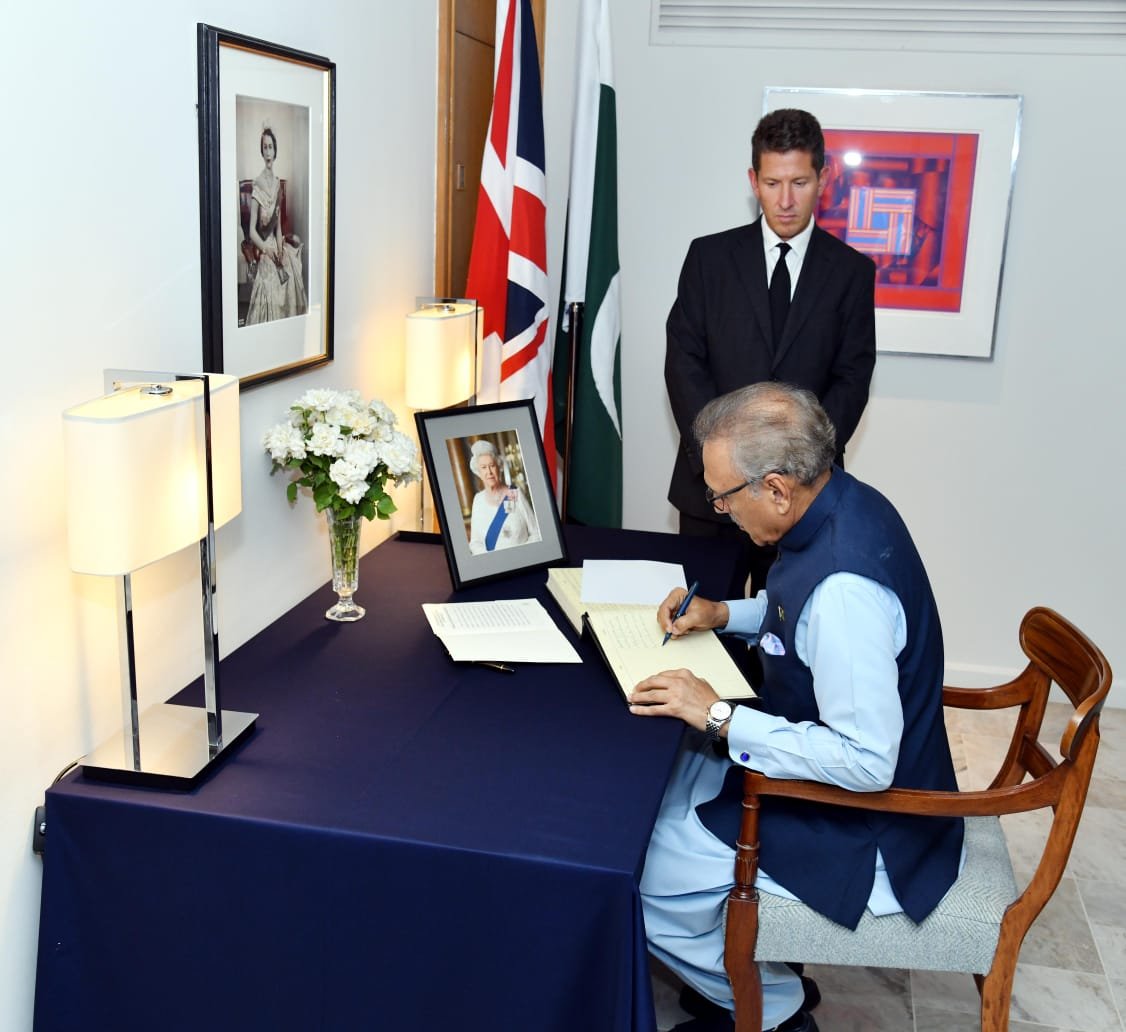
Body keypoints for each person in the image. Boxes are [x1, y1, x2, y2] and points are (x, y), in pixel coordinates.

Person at [633, 383, 962, 1032]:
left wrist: (719, 716)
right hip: (826, 763)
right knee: (670, 789)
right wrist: (727, 614)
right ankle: (732, 965)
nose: (721, 510)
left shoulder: (846, 592)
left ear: (777, 488)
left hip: (870, 828)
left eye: (724, 495)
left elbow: (867, 764)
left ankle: (773, 1007)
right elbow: (797, 610)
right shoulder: (842, 502)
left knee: (639, 873)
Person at [665, 108, 876, 598]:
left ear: (823, 178)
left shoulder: (851, 273)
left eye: (799, 182)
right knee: (698, 625)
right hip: (710, 493)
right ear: (753, 180)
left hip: (801, 498)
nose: (785, 200)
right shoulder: (708, 259)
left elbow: (851, 379)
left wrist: (798, 472)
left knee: (785, 643)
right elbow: (683, 364)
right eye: (773, 182)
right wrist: (720, 464)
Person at [245, 126, 308, 325]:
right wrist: (267, 250)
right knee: (271, 283)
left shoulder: (278, 184)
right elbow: (251, 232)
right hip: (264, 248)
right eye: (264, 147)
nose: (268, 151)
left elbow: (278, 226)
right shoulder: (257, 184)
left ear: (275, 151)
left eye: (271, 147)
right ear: (261, 151)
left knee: (291, 274)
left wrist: (280, 251)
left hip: (276, 245)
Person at [466, 439, 541, 554]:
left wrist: (522, 555)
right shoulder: (478, 500)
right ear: (478, 472)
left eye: (492, 466)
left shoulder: (516, 494)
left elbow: (536, 533)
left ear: (499, 467)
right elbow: (475, 543)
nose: (489, 472)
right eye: (484, 467)